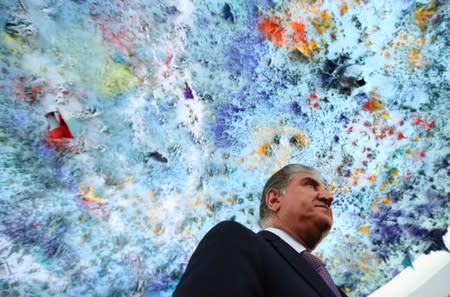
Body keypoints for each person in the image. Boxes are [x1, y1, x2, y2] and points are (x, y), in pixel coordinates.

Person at [173, 164, 348, 297]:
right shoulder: (233, 241)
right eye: (311, 185)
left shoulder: (335, 289)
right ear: (274, 199)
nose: (328, 197)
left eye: (326, 189)